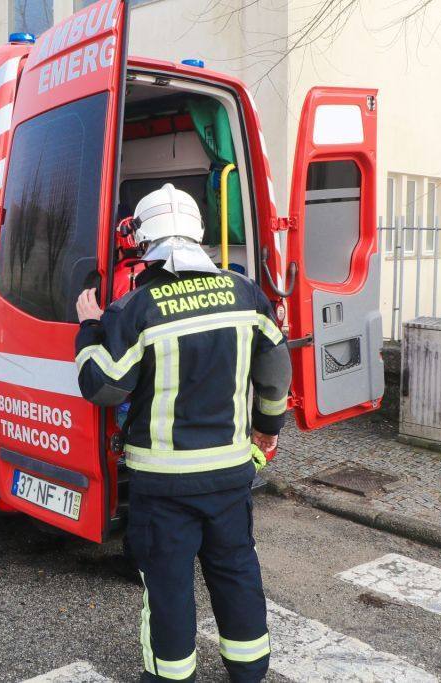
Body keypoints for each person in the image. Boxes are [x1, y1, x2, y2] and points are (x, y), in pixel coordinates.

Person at [75, 184, 291, 682]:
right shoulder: (245, 293)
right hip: (230, 475)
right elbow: (276, 367)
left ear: (143, 242)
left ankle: (172, 677)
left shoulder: (136, 308)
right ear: (198, 233)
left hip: (164, 484)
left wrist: (88, 329)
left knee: (170, 586)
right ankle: (249, 672)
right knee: (236, 572)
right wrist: (267, 428)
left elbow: (104, 386)